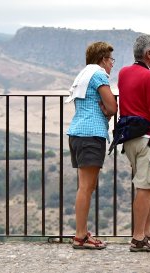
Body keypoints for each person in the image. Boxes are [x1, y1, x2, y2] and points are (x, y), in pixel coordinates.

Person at [117, 34, 150, 252]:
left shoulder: (123, 73)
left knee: (149, 187)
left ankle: (148, 234)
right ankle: (138, 238)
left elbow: (134, 100)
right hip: (148, 140)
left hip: (129, 139)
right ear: (149, 54)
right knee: (145, 188)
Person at [66, 41, 118, 250]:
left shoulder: (83, 74)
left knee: (85, 187)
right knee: (86, 188)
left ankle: (81, 232)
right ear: (103, 59)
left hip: (77, 133)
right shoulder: (98, 75)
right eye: (111, 60)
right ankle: (80, 236)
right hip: (91, 135)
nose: (112, 65)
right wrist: (107, 111)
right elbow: (112, 106)